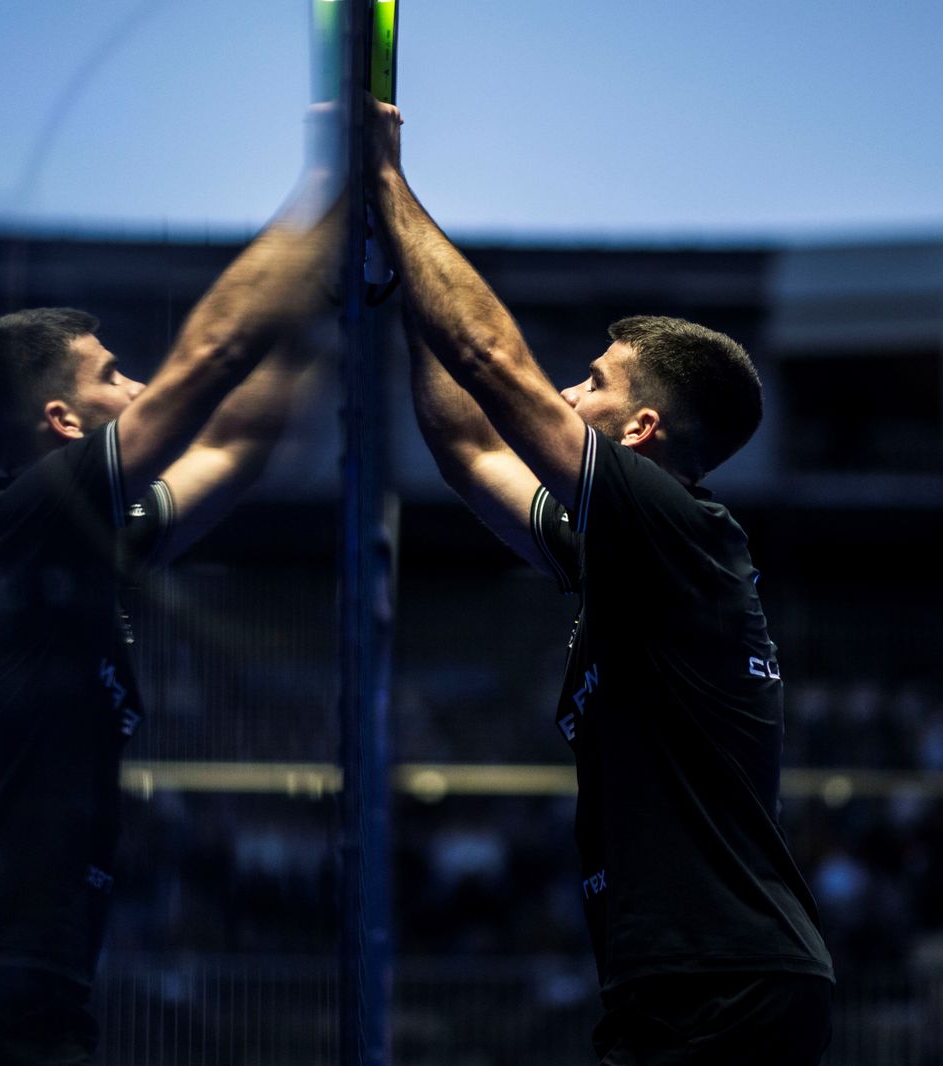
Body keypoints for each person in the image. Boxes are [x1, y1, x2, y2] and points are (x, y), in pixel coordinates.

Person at [368, 102, 835, 1064]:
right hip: (683, 983)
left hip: (723, 983)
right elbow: (463, 444)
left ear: (640, 434)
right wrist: (405, 286)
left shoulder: (678, 528)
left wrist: (383, 182)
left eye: (592, 382)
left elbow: (492, 364)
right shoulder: (622, 553)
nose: (569, 393)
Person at [0, 164, 338, 1065]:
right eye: (116, 376)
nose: (142, 387)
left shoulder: (76, 546)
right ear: (64, 424)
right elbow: (213, 361)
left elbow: (237, 442)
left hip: (26, 978)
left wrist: (328, 305)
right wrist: (331, 186)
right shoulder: (17, 519)